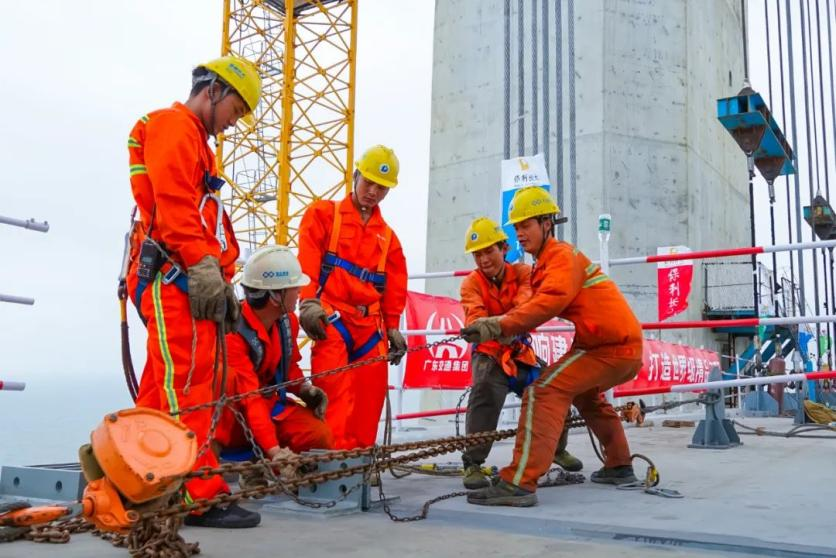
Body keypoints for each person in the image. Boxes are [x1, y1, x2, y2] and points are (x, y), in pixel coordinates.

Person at [126, 55, 262, 527]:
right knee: (186, 388)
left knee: (163, 388)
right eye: (236, 110)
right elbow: (175, 204)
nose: (233, 123)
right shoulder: (175, 127)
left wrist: (217, 275)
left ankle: (131, 478)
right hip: (175, 281)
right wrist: (203, 265)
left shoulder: (197, 144)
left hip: (187, 282)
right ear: (213, 91)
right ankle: (195, 495)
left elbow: (202, 217)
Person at [462, 187, 643, 507]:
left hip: (607, 347)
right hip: (607, 344)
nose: (520, 233)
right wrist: (495, 325)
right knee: (585, 395)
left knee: (543, 390)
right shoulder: (542, 265)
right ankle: (619, 464)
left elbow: (546, 302)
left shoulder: (559, 257)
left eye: (526, 225)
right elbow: (531, 301)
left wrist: (500, 325)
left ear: (547, 224)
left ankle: (518, 482)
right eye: (517, 227)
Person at [297, 145, 408, 450]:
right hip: (332, 316)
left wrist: (393, 327)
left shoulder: (388, 237)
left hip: (369, 325)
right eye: (368, 183)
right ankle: (331, 461)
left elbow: (395, 285)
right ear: (356, 176)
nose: (373, 192)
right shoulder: (323, 215)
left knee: (369, 400)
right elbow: (307, 259)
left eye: (381, 188)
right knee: (333, 393)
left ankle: (359, 463)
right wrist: (308, 302)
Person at [459, 217, 582, 490]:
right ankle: (473, 463)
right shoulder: (471, 284)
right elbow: (475, 317)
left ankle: (556, 449)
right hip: (489, 353)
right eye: (477, 254)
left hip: (519, 352)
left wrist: (504, 325)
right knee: (485, 391)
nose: (483, 259)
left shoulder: (524, 273)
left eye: (489, 251)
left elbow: (526, 304)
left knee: (554, 387)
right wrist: (500, 328)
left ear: (504, 249)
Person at [215, 245, 333, 495]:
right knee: (233, 389)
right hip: (236, 414)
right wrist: (275, 451)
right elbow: (249, 398)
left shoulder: (286, 322)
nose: (299, 292)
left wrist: (304, 390)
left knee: (317, 435)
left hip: (267, 405)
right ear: (275, 296)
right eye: (294, 287)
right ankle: (252, 464)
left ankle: (266, 464)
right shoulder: (233, 332)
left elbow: (288, 366)